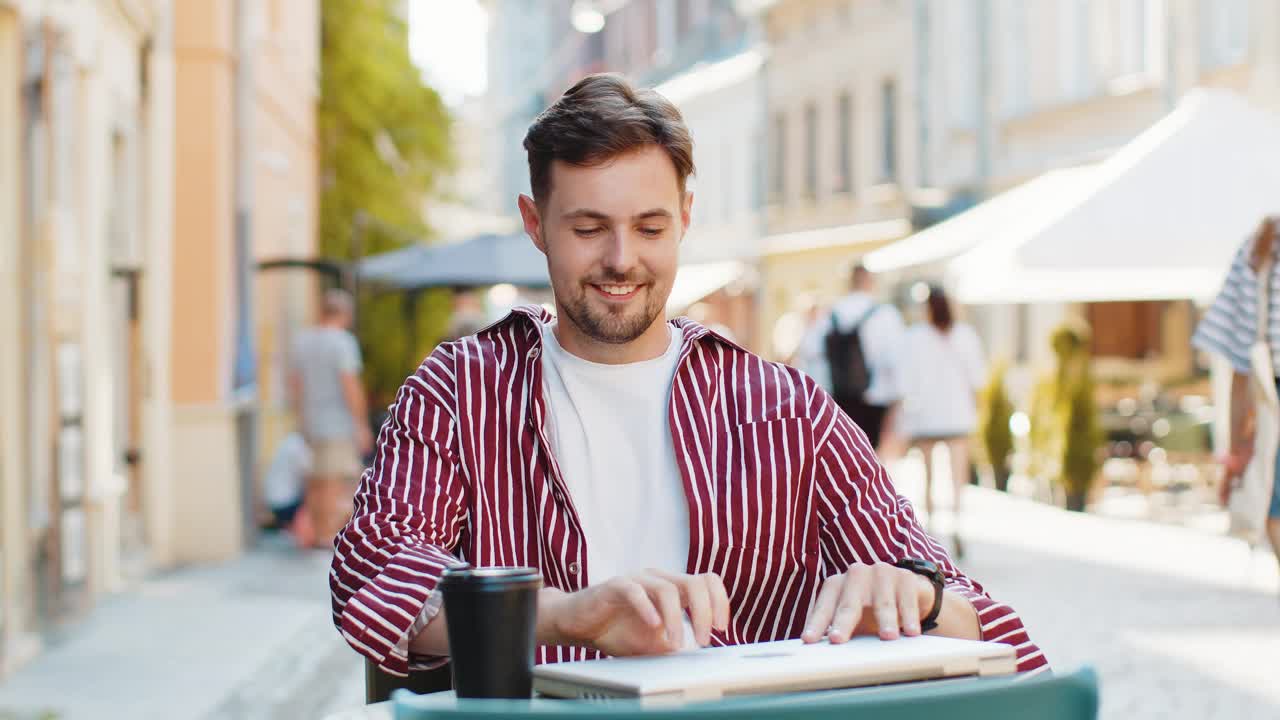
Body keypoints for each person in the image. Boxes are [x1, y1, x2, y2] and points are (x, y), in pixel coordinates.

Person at [329, 74, 1045, 678]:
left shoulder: (784, 409)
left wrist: (915, 595)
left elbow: (989, 627)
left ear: (686, 218)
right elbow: (371, 577)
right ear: (535, 223)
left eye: (650, 227)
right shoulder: (458, 393)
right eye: (587, 229)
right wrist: (569, 617)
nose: (620, 259)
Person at [1192, 215, 1280, 584]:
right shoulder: (1261, 247)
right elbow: (1241, 361)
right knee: (1272, 507)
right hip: (1271, 404)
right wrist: (1234, 450)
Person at [897, 286, 987, 558]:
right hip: (957, 414)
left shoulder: (913, 337)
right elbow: (977, 377)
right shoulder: (965, 335)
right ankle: (957, 525)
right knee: (957, 476)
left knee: (927, 476)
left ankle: (932, 529)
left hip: (926, 415)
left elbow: (905, 379)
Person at [290, 289, 372, 548]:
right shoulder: (342, 343)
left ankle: (315, 532)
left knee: (315, 481)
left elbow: (296, 384)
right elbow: (350, 385)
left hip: (311, 421)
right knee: (333, 481)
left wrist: (300, 417)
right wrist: (361, 424)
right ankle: (326, 535)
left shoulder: (302, 342)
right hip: (337, 422)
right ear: (345, 314)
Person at [806, 264, 906, 452]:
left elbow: (811, 352)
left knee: (844, 455)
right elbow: (896, 360)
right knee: (871, 455)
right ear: (870, 281)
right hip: (876, 398)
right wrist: (898, 401)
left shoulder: (830, 314)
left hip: (838, 397)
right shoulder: (885, 314)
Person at [262, 431, 315, 547]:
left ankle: (290, 530)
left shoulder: (289, 441)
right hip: (285, 501)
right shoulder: (298, 447)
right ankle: (304, 539)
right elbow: (309, 477)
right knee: (314, 500)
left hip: (273, 499)